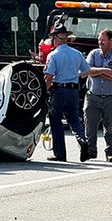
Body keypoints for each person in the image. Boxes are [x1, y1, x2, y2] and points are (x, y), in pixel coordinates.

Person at [43, 22, 93, 162]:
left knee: (56, 121)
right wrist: (74, 75)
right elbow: (86, 71)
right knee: (74, 120)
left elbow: (49, 77)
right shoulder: (77, 54)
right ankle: (82, 140)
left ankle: (60, 154)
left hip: (59, 91)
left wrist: (44, 92)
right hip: (73, 91)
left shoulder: (53, 55)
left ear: (55, 38)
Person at [83, 29, 112, 162]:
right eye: (99, 40)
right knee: (90, 126)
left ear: (111, 41)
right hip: (92, 96)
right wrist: (106, 70)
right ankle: (91, 151)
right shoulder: (93, 54)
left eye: (103, 40)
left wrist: (96, 72)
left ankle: (110, 152)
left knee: (110, 127)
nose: (100, 42)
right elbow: (87, 70)